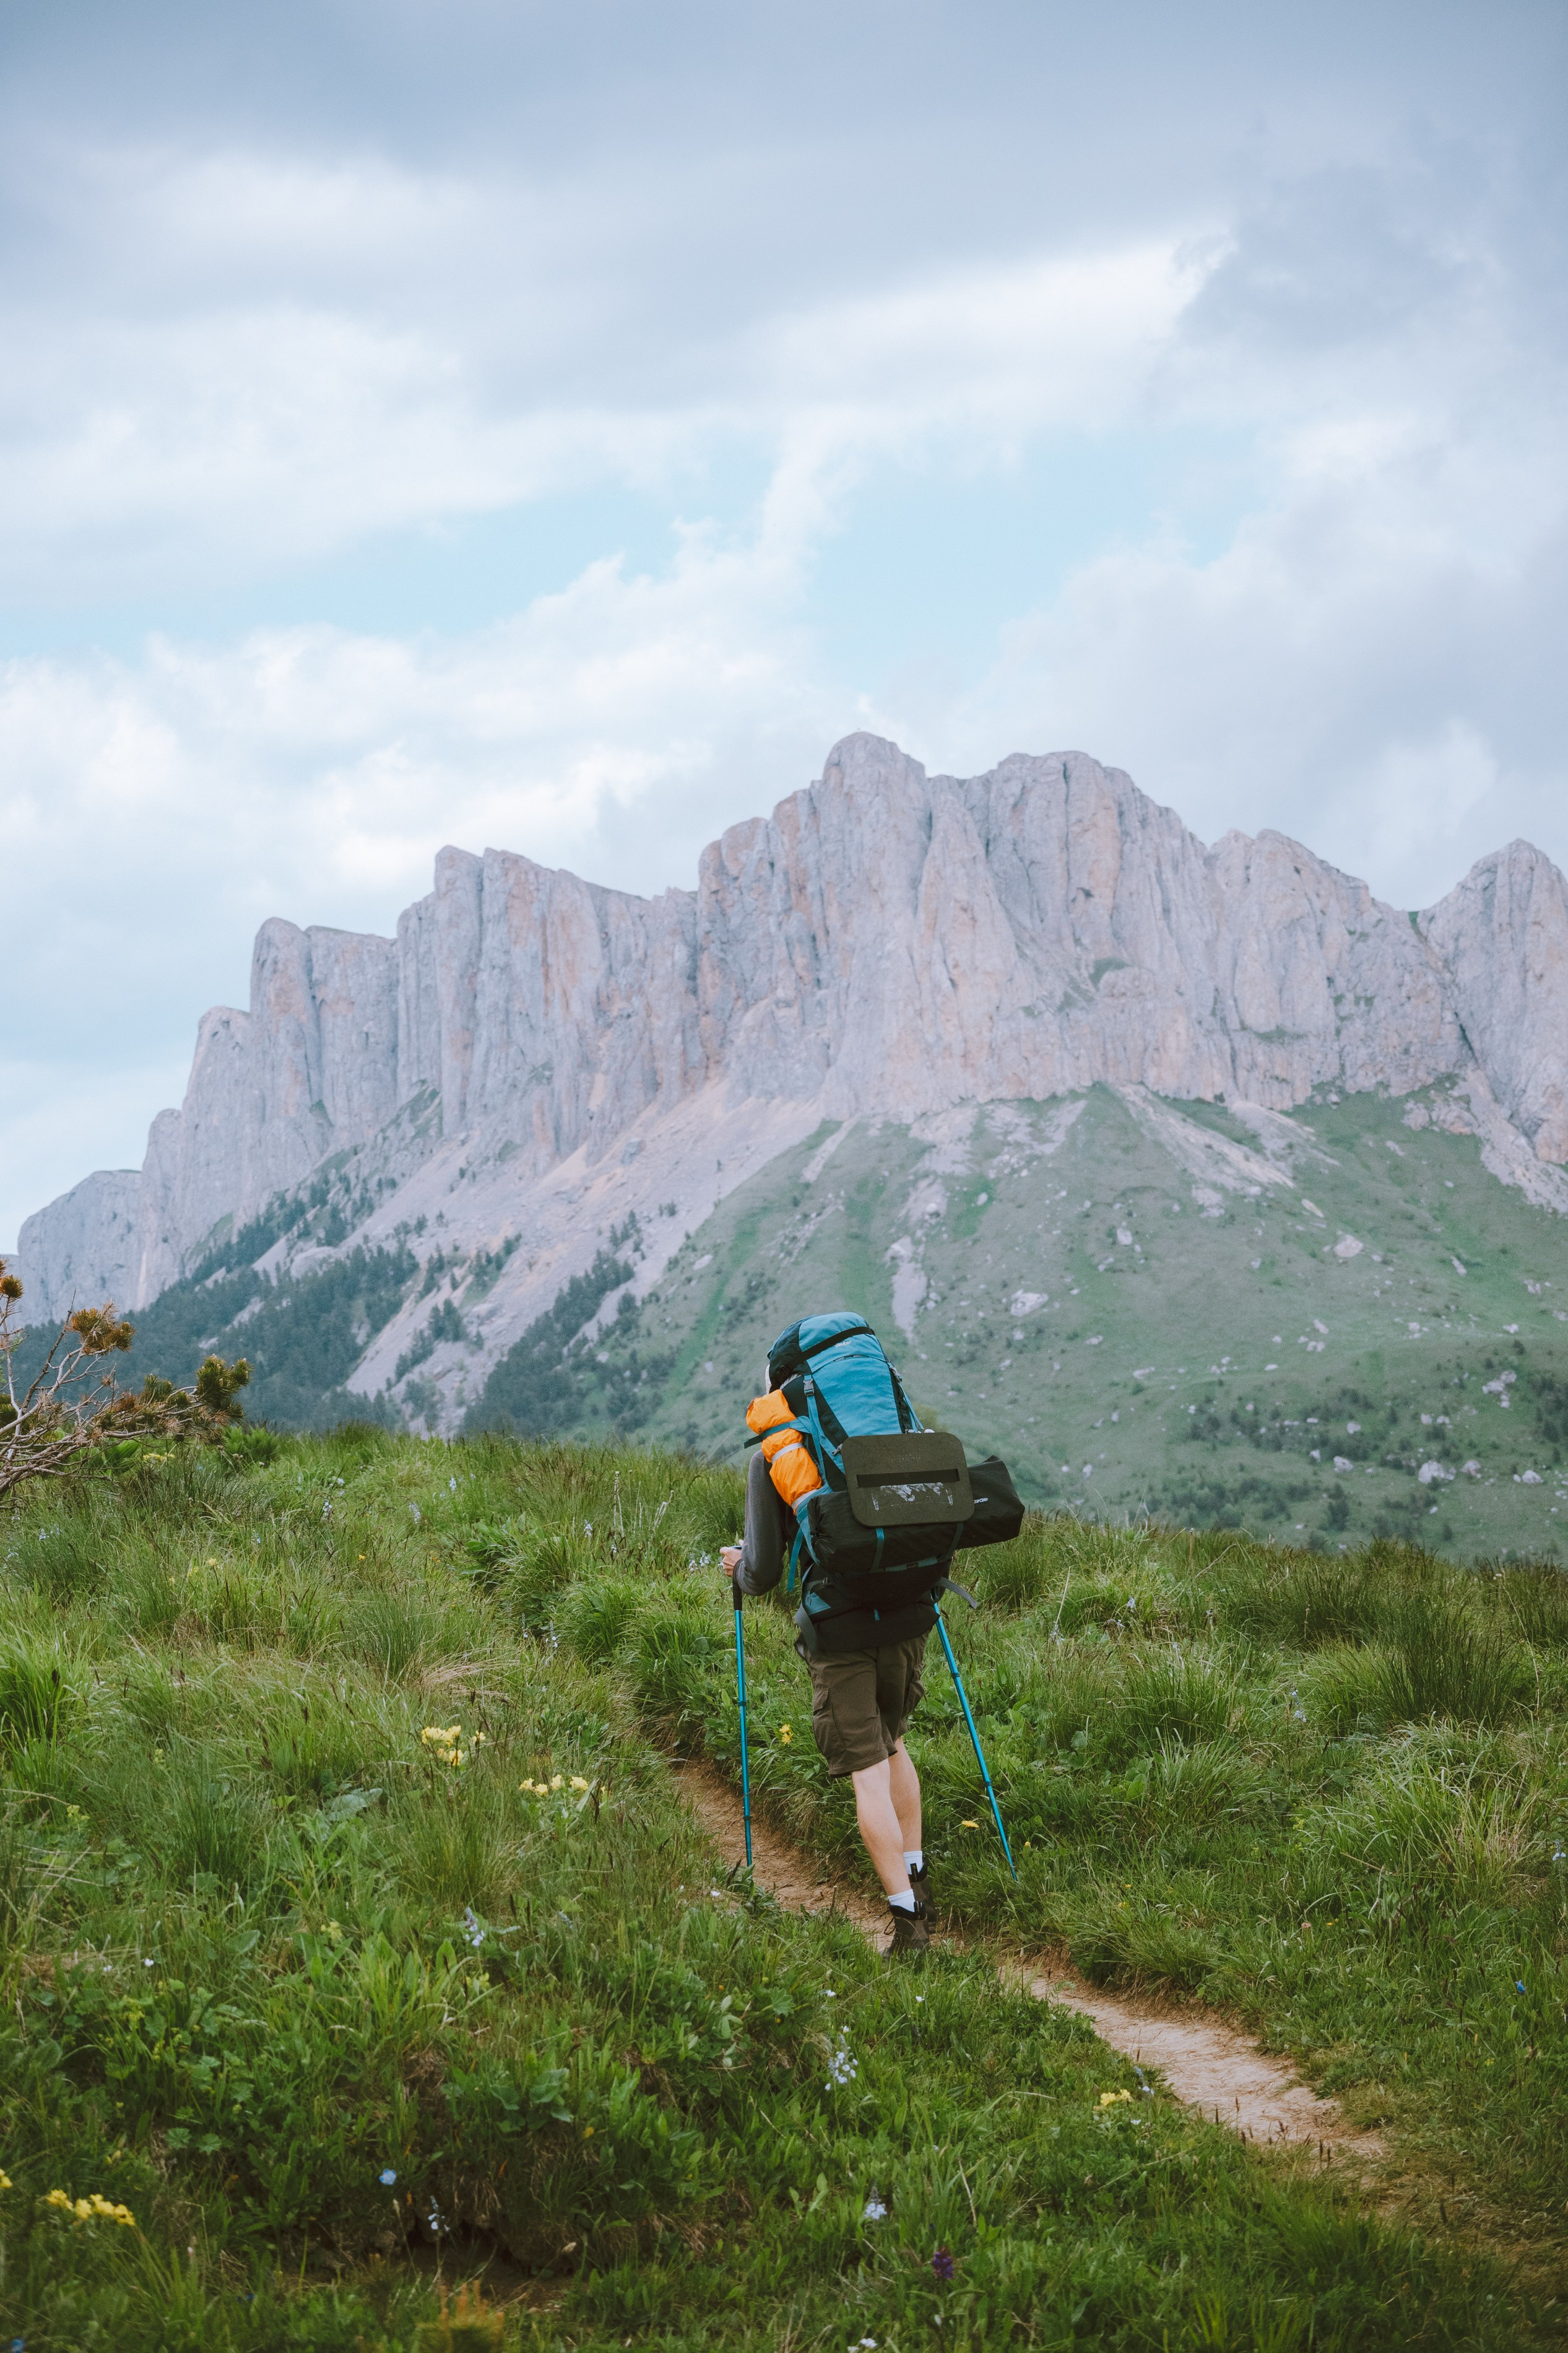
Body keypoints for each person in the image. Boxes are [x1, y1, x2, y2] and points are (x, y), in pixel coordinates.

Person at [721, 1438, 935, 1954]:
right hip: (911, 1609)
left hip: (841, 1629)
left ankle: (909, 1926)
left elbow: (764, 1571)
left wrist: (739, 1567)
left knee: (867, 1767)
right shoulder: (887, 1428)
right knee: (893, 1739)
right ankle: (919, 1882)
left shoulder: (775, 1453)